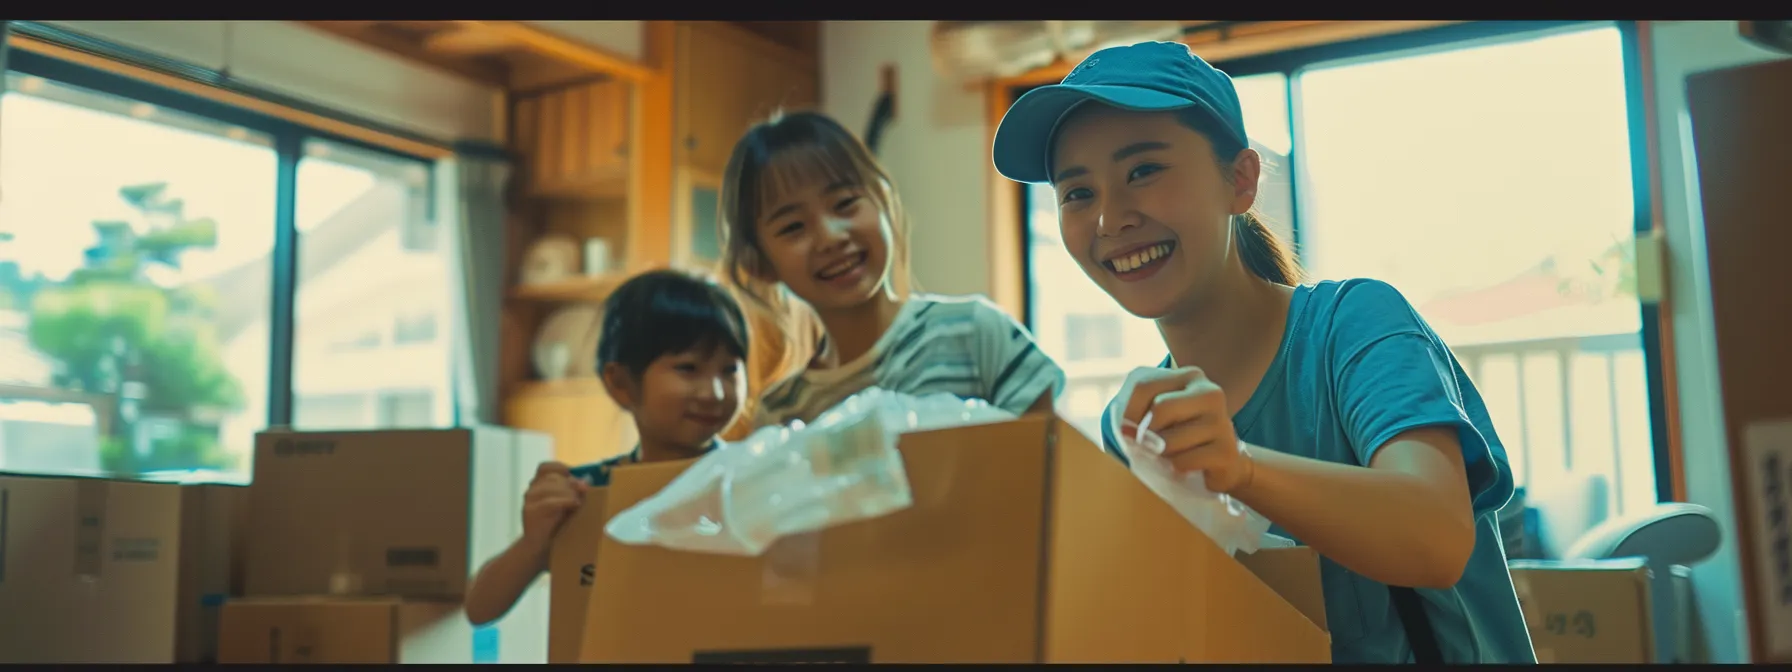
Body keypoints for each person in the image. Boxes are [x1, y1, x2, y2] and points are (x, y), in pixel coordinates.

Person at [991, 41, 1536, 664]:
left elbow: (1435, 539)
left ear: (1241, 181)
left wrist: (1241, 467)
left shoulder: (1352, 326)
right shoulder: (1139, 426)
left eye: (1143, 171)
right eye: (1077, 193)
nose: (1110, 219)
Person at [717, 110, 1066, 427]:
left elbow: (1055, 471)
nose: (830, 237)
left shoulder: (975, 333)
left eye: (844, 203)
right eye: (793, 227)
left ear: (883, 200)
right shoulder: (781, 416)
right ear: (759, 263)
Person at [464, 269, 750, 626]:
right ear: (621, 384)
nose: (715, 392)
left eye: (730, 370)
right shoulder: (585, 493)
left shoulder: (752, 477)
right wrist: (534, 542)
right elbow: (480, 608)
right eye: (688, 368)